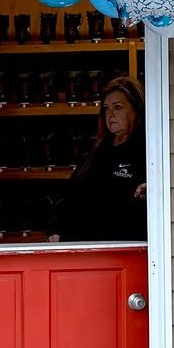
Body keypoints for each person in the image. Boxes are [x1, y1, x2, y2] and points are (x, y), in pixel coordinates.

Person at [59, 77, 146, 242]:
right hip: (83, 251)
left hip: (122, 252)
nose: (110, 114)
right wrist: (55, 230)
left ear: (137, 109)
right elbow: (68, 197)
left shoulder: (148, 154)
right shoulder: (94, 152)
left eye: (117, 107)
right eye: (106, 108)